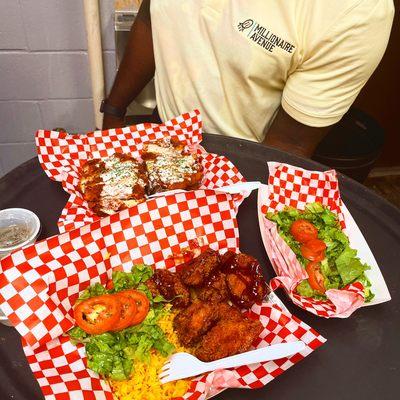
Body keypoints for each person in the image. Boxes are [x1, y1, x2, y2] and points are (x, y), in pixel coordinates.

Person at [102, 0, 394, 158]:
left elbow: (289, 146)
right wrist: (115, 109)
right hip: (162, 133)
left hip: (243, 165)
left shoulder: (358, 10)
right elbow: (150, 17)